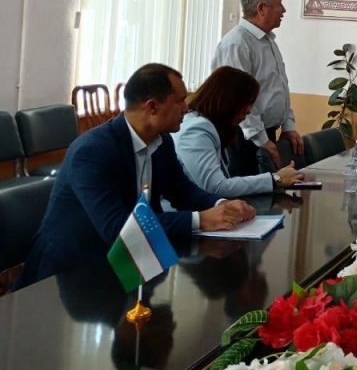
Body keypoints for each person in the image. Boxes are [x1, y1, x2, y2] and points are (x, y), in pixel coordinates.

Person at [17, 64, 255, 288]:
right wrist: (200, 220)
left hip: (128, 263)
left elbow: (183, 192)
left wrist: (222, 205)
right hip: (70, 273)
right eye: (180, 101)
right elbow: (117, 227)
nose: (187, 108)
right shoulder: (92, 151)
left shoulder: (162, 141)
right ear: (152, 107)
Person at [212, 0, 304, 176]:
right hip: (244, 137)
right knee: (249, 191)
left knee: (268, 189)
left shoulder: (267, 40)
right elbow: (238, 100)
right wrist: (261, 140)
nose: (284, 10)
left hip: (265, 133)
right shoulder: (237, 44)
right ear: (262, 8)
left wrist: (288, 125)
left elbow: (278, 86)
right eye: (279, 4)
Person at [174, 66, 305, 197]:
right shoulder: (196, 130)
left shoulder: (209, 125)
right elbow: (217, 187)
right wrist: (276, 179)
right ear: (227, 101)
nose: (249, 111)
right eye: (246, 103)